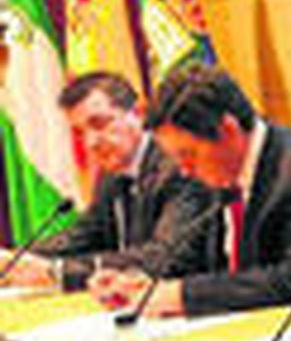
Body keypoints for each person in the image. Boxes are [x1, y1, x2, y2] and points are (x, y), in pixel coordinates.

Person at [91, 65, 291, 317]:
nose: (184, 170)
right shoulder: (219, 170)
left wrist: (184, 295)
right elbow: (191, 255)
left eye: (188, 155)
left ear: (228, 129)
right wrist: (141, 282)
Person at [3, 72, 211, 291]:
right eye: (80, 133)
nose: (91, 142)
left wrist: (59, 272)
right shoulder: (112, 175)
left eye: (100, 124)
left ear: (139, 113)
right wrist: (17, 259)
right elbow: (85, 235)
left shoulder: (179, 169)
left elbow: (164, 257)